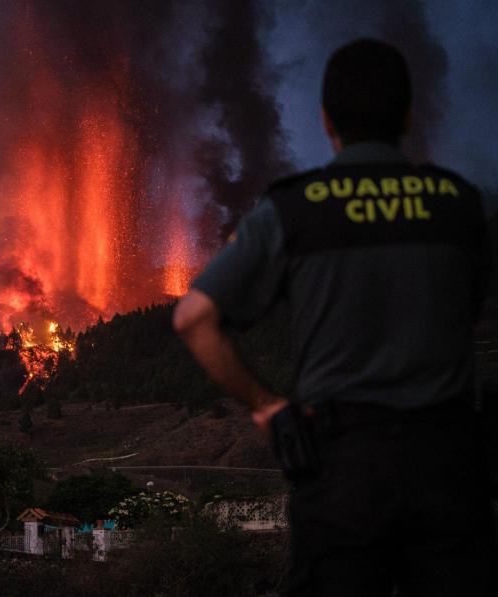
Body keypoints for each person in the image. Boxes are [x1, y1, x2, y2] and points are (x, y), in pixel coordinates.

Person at [173, 38, 496, 596]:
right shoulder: (460, 205)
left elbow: (191, 319)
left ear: (325, 121)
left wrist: (268, 407)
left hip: (341, 471)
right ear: (409, 114)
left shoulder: (297, 208)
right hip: (448, 469)